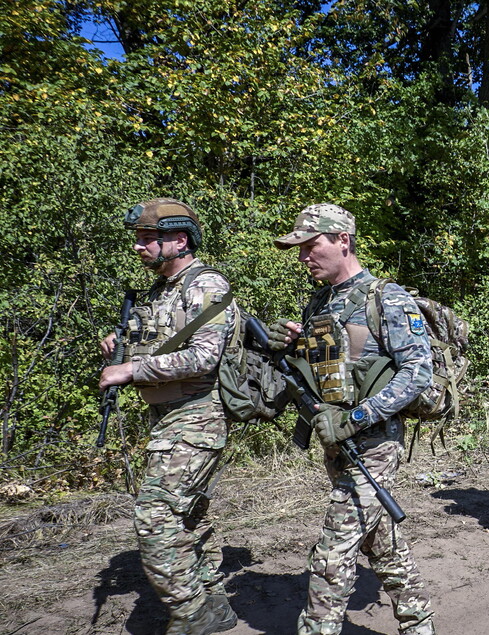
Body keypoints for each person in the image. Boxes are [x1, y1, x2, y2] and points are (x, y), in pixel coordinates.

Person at [268, 203, 436, 635]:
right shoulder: (320, 301)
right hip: (336, 442)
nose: (304, 256)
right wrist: (294, 345)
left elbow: (418, 372)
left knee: (333, 550)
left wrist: (358, 416)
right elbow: (329, 370)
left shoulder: (388, 298)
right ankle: (418, 622)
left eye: (311, 245)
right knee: (380, 542)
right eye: (299, 249)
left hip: (376, 440)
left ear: (343, 240)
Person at [98, 198, 237, 635]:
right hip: (165, 415)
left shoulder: (206, 286)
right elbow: (161, 342)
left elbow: (204, 357)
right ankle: (214, 603)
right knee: (190, 514)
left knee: (155, 515)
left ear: (179, 240)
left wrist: (131, 369)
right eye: (137, 239)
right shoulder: (160, 292)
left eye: (147, 239)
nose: (139, 247)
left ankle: (191, 614)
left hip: (198, 414)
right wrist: (120, 347)